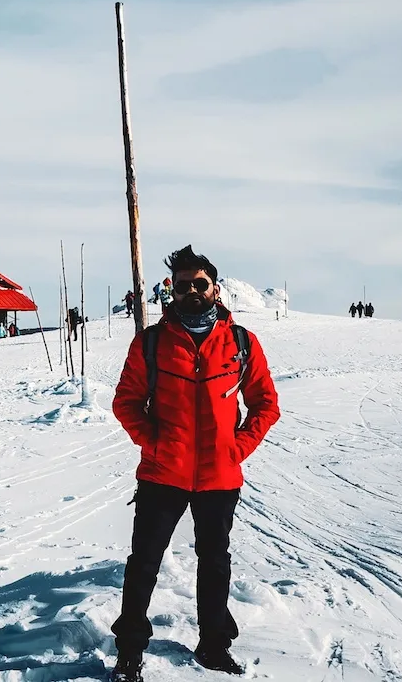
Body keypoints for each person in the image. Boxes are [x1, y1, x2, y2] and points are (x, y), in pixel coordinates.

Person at [108, 245, 281, 682]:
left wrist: (236, 448)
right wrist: (155, 443)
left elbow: (266, 404)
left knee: (215, 561)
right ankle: (129, 651)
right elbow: (127, 402)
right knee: (144, 562)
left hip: (219, 476)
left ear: (215, 289)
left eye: (198, 284)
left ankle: (214, 645)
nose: (189, 291)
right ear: (172, 290)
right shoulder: (151, 342)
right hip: (163, 474)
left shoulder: (241, 342)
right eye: (181, 285)